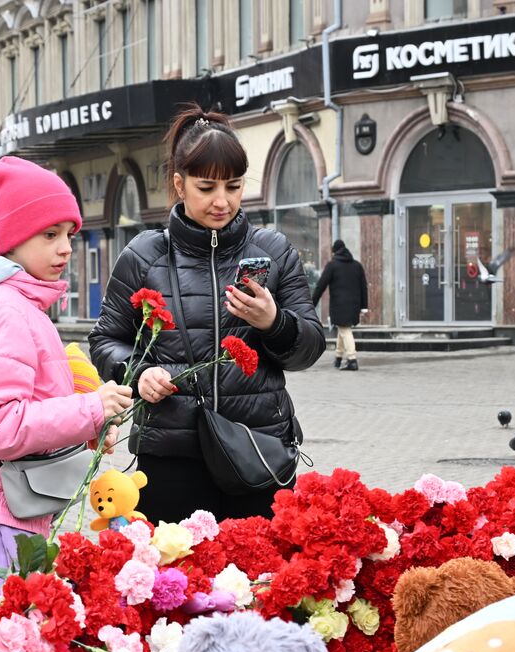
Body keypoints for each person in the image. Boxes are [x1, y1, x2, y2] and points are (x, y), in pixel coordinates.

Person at [90, 107, 324, 524]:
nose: (222, 201)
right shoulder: (144, 256)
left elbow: (308, 349)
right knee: (174, 582)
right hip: (172, 455)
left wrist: (274, 323)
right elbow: (105, 339)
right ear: (179, 185)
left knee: (261, 581)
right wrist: (138, 371)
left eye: (234, 186)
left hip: (258, 449)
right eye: (206, 187)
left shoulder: (273, 251)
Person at [0, 156, 132, 597]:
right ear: (15, 239)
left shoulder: (19, 306)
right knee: (3, 651)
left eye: (69, 235)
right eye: (49, 235)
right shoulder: (3, 310)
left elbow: (27, 407)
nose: (65, 248)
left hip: (6, 501)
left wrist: (89, 425)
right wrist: (90, 408)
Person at [311, 239, 368, 372]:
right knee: (343, 329)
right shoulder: (357, 266)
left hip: (339, 306)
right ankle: (338, 358)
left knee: (345, 330)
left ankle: (352, 359)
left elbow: (321, 286)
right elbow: (363, 287)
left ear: (334, 252)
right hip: (354, 306)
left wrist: (312, 303)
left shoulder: (332, 265)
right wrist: (364, 306)